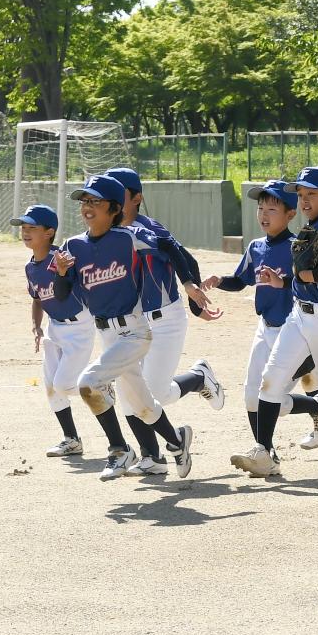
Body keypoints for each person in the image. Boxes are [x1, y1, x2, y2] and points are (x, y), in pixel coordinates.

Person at [51, 174, 195, 481]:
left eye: (95, 202)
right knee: (141, 404)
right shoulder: (73, 245)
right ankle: (176, 440)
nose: (87, 207)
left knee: (89, 383)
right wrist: (62, 274)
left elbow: (169, 245)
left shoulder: (128, 238)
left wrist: (189, 283)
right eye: (84, 201)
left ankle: (119, 449)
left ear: (115, 208)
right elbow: (62, 294)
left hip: (134, 332)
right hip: (107, 333)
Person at [237, 166, 318, 478]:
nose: (305, 199)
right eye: (301, 194)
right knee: (270, 380)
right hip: (301, 316)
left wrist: (310, 275)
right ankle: (264, 452)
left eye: (311, 194)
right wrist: (290, 281)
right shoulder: (308, 230)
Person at [205, 180, 318, 480]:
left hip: (294, 332)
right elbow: (241, 280)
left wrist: (284, 282)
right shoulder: (256, 247)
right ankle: (268, 452)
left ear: (290, 214)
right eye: (260, 208)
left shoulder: (297, 247)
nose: (263, 214)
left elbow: (313, 283)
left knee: (271, 395)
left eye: (272, 209)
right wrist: (220, 280)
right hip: (265, 328)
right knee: (252, 396)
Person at [104, 168, 225, 457]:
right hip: (131, 325)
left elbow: (187, 259)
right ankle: (152, 457)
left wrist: (196, 304)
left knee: (153, 394)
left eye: (118, 192)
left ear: (136, 199)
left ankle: (197, 378)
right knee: (133, 394)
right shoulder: (105, 235)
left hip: (163, 321)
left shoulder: (150, 230)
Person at [10, 203, 106, 460]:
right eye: (23, 228)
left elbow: (64, 292)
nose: (25, 232)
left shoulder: (62, 258)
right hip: (54, 327)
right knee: (51, 387)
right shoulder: (31, 266)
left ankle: (101, 385)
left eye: (32, 228)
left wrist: (63, 270)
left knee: (64, 384)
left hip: (78, 327)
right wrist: (36, 325)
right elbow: (38, 298)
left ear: (49, 232)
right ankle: (71, 440)